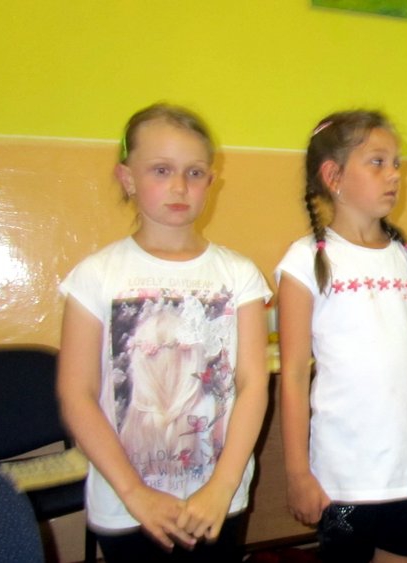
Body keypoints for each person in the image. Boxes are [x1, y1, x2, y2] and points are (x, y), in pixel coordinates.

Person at [57, 103, 271, 563]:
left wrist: (223, 486)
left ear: (211, 181)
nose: (179, 186)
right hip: (127, 506)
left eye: (194, 173)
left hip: (217, 502)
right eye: (161, 170)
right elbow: (77, 393)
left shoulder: (240, 274)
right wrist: (135, 493)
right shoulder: (96, 276)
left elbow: (253, 384)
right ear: (127, 178)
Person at [277, 110, 407, 563]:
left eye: (396, 163)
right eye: (377, 162)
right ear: (333, 176)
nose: (394, 174)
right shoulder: (305, 261)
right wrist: (298, 472)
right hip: (343, 481)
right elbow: (294, 374)